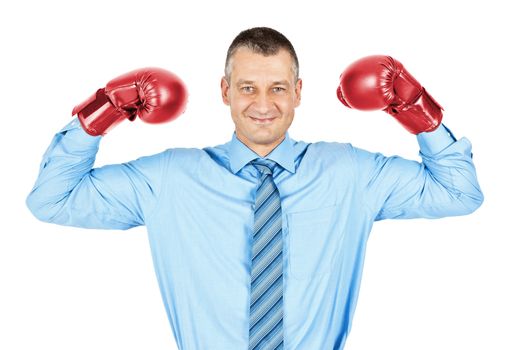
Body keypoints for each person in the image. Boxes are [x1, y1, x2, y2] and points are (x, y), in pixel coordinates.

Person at [26, 27, 483, 350]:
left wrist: (415, 105)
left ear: (299, 91)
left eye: (278, 87)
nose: (263, 105)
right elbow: (52, 200)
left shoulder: (349, 171)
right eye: (247, 87)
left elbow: (459, 192)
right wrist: (105, 108)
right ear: (224, 91)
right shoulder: (171, 178)